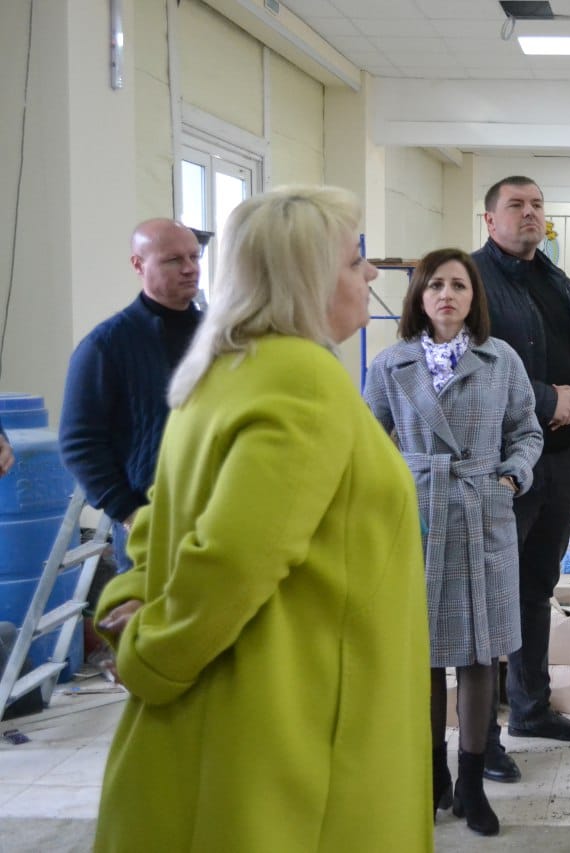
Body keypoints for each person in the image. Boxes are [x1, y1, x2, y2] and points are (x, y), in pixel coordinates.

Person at [92, 187, 432, 852]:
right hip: (290, 740)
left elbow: (162, 519)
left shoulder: (222, 370)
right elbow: (231, 559)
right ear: (306, 279)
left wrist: (128, 603)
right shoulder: (303, 380)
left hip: (239, 724)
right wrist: (152, 654)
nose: (369, 273)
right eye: (353, 260)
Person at [365, 248, 542, 836]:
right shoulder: (390, 364)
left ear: (473, 297)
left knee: (478, 651)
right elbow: (369, 441)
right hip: (416, 516)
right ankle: (430, 776)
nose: (447, 295)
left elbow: (527, 430)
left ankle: (471, 781)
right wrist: (394, 490)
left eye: (459, 285)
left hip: (480, 509)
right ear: (419, 296)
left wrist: (511, 476)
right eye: (435, 284)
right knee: (423, 654)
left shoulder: (501, 359)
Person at [472, 175, 570, 783]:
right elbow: (467, 363)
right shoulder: (472, 282)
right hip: (501, 466)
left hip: (556, 460)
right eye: (516, 205)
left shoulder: (558, 281)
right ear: (489, 219)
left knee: (535, 588)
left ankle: (529, 710)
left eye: (536, 204)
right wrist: (545, 399)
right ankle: (479, 739)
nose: (529, 213)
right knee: (490, 597)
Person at [60, 219, 202, 570]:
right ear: (138, 265)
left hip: (223, 514)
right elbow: (79, 442)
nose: (189, 268)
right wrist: (127, 511)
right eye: (174, 260)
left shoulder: (221, 338)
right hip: (152, 525)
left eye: (194, 257)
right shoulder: (106, 347)